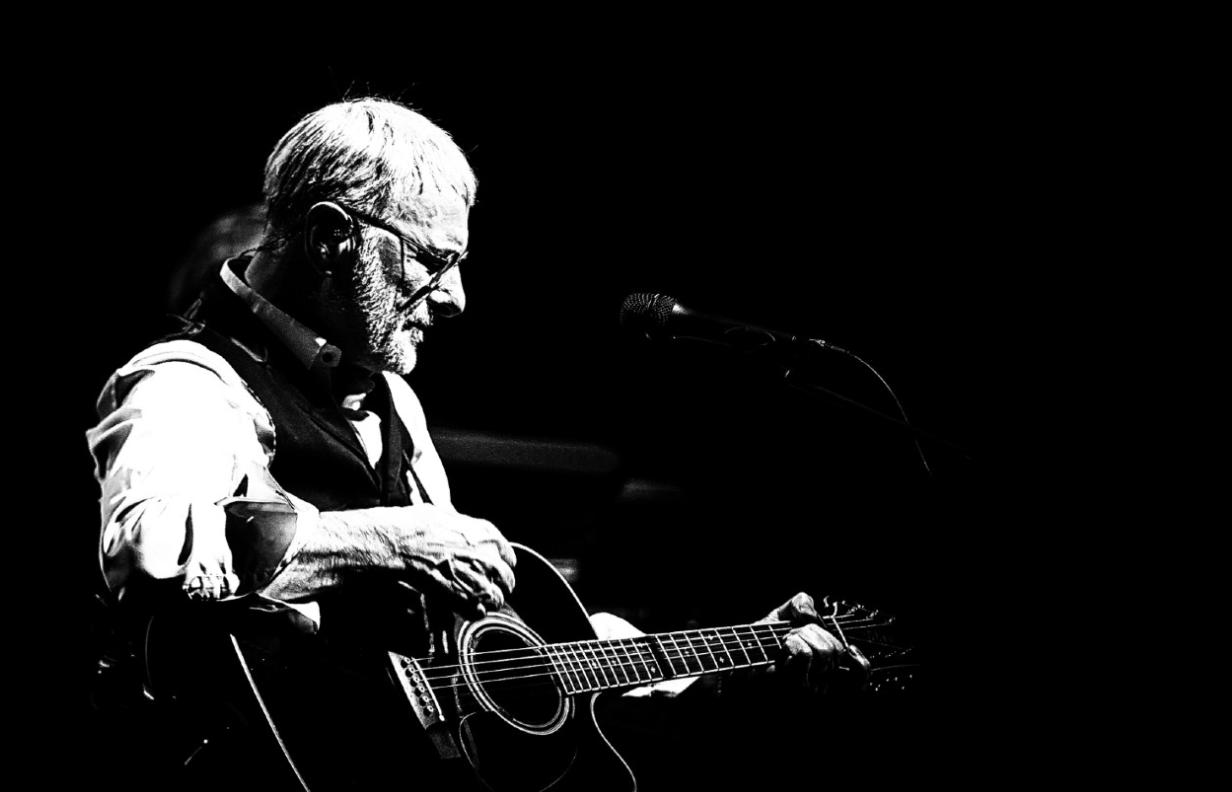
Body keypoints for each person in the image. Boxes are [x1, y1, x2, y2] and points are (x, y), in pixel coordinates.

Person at [86, 98, 862, 780]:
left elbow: (475, 654)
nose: (455, 298)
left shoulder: (393, 400)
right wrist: (394, 540)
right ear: (330, 238)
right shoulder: (187, 380)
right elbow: (150, 550)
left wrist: (732, 657)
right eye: (432, 261)